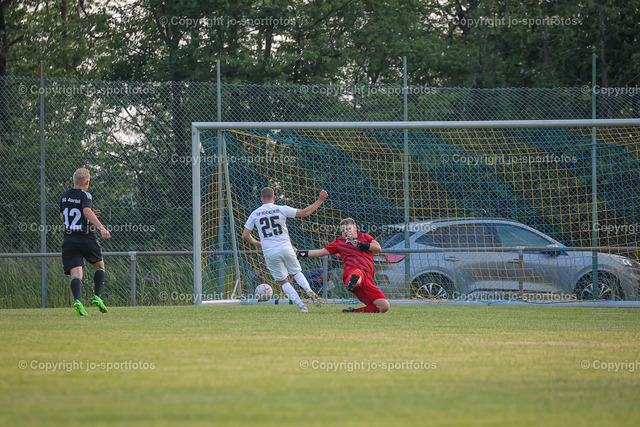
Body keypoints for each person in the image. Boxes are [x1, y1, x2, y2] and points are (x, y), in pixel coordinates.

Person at [242, 187, 328, 313]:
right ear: (274, 198)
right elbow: (304, 212)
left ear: (261, 199)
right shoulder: (281, 209)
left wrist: (256, 243)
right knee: (296, 272)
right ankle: (308, 289)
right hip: (286, 247)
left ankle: (302, 306)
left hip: (270, 251)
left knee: (283, 282)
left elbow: (245, 234)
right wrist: (320, 200)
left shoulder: (255, 213)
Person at [297, 218, 390, 313]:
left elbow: (378, 248)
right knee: (357, 272)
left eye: (349, 229)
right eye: (343, 230)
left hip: (368, 279)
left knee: (384, 306)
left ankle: (351, 311)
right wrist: (298, 253)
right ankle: (353, 281)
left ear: (355, 229)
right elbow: (320, 252)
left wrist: (360, 244)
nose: (346, 232)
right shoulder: (340, 242)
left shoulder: (365, 237)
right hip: (351, 272)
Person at [60, 168, 111, 316]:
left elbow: (63, 218)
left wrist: (85, 213)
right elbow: (86, 211)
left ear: (74, 181)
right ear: (87, 182)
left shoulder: (65, 196)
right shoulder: (85, 195)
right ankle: (97, 296)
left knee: (76, 274)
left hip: (69, 239)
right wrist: (102, 228)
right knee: (99, 265)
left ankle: (77, 301)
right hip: (86, 238)